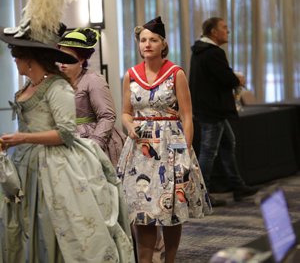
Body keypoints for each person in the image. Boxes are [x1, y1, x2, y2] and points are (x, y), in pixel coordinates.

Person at [0, 24, 134, 262]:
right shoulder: (27, 87)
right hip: (26, 164)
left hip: (55, 165)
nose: (15, 61)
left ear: (29, 59)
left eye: (16, 56)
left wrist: (22, 138)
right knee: (26, 223)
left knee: (62, 224)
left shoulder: (59, 86)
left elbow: (66, 132)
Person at [117, 16, 212, 263]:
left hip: (171, 145)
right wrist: (129, 125)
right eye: (143, 40)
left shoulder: (175, 73)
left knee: (171, 209)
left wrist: (186, 150)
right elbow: (126, 112)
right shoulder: (130, 75)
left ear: (163, 44)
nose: (147, 44)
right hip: (140, 150)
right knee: (142, 210)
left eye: (153, 40)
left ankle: (170, 259)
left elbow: (187, 115)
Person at [189, 17, 258, 206]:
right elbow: (225, 78)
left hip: (206, 109)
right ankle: (202, 195)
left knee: (228, 143)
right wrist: (238, 79)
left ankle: (238, 186)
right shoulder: (213, 53)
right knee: (208, 151)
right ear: (213, 32)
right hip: (213, 111)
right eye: (224, 28)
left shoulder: (199, 51)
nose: (228, 31)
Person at [57, 27, 126, 166]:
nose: (62, 63)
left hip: (91, 140)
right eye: (60, 57)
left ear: (81, 59)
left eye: (68, 58)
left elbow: (107, 116)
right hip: (65, 139)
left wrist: (95, 144)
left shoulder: (92, 79)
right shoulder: (57, 82)